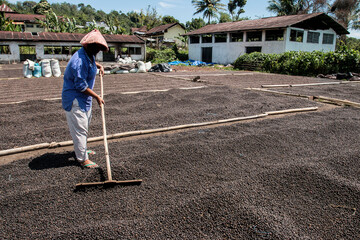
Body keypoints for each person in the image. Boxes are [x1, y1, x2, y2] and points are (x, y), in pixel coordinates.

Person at [62, 29, 108, 168]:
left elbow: (92, 63)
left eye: (99, 49)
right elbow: (81, 86)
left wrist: (98, 66)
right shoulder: (79, 61)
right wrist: (97, 97)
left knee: (84, 126)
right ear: (88, 45)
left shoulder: (89, 55)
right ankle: (82, 159)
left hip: (84, 99)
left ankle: (82, 149)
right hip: (75, 99)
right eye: (97, 48)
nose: (98, 52)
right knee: (80, 129)